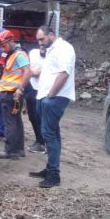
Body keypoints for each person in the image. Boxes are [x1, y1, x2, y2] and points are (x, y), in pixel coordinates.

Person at [29, 26, 76, 188]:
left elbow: (64, 73)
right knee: (52, 133)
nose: (40, 43)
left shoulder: (64, 48)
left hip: (55, 97)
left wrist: (50, 95)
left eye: (42, 39)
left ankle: (54, 174)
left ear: (51, 34)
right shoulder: (51, 49)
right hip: (46, 96)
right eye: (38, 40)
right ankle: (51, 169)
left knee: (49, 134)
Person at [0, 30, 31, 159]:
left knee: (10, 122)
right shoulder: (13, 54)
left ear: (11, 41)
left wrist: (20, 89)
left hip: (11, 94)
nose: (2, 49)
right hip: (9, 92)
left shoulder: (18, 55)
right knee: (16, 121)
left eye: (3, 46)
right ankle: (18, 149)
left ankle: (10, 151)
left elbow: (27, 71)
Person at [25, 43, 46, 153]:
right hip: (32, 88)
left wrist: (34, 71)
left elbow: (39, 72)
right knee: (32, 117)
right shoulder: (33, 53)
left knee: (43, 117)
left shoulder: (51, 56)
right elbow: (28, 70)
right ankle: (39, 140)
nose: (43, 48)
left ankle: (43, 142)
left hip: (45, 90)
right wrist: (33, 71)